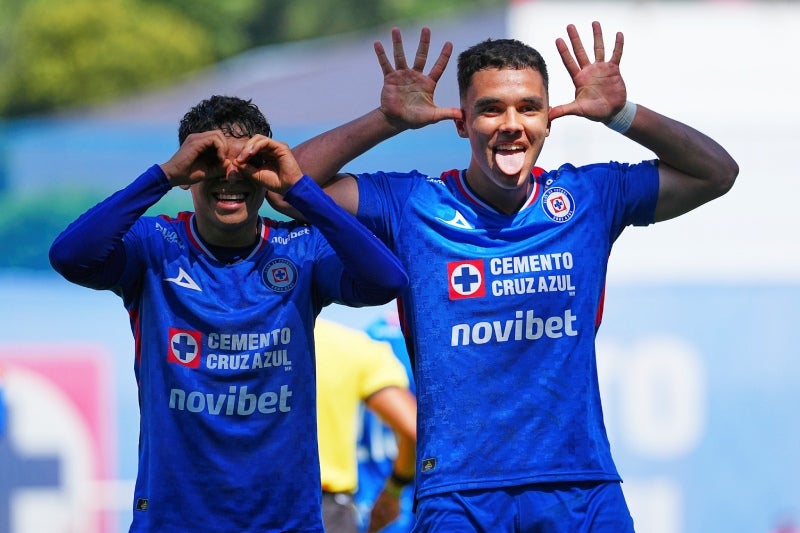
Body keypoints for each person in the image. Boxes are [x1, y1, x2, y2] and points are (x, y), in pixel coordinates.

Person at [278, 22, 739, 532]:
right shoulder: (412, 204)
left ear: (549, 120)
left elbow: (716, 173)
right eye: (491, 108)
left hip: (579, 486)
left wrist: (623, 115)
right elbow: (284, 186)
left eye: (528, 108)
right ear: (461, 122)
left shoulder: (589, 197)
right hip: (458, 494)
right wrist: (386, 121)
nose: (511, 123)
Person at [48, 95, 408, 532]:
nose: (230, 179)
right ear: (189, 171)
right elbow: (70, 256)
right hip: (173, 520)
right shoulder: (154, 246)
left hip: (285, 522)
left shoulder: (300, 249)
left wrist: (300, 190)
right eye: (211, 163)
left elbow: (387, 281)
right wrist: (162, 176)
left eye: (247, 163)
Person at [314, 318, 416, 533]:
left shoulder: (235, 346)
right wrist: (394, 489)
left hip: (239, 505)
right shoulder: (352, 346)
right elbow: (414, 429)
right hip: (326, 512)